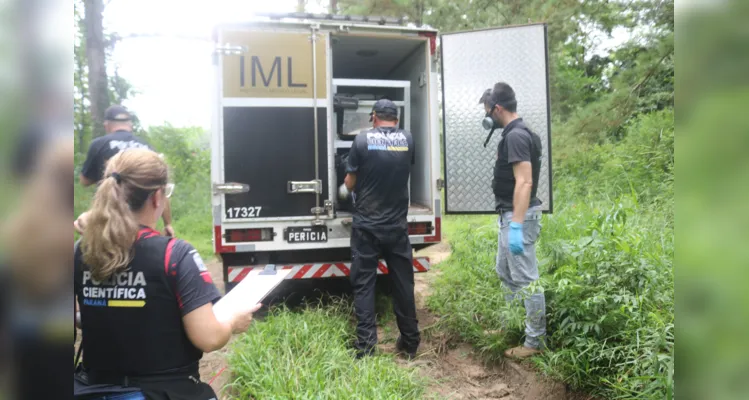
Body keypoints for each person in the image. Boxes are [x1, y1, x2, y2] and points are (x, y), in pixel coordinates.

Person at [73, 148, 260, 399]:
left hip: (93, 389)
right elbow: (208, 338)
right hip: (166, 391)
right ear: (157, 196)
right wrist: (232, 322)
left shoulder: (80, 250)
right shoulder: (175, 254)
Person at [339, 99, 419, 360]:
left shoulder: (362, 141)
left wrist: (345, 187)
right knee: (403, 284)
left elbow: (351, 181)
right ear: (396, 118)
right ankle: (410, 343)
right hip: (396, 227)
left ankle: (366, 347)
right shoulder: (407, 139)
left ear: (373, 116)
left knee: (364, 286)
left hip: (367, 228)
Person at [479, 82, 546, 359]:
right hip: (508, 215)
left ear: (497, 109)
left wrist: (517, 225)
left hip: (518, 217)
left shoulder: (517, 135)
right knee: (505, 273)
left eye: (486, 110)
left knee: (527, 280)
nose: (486, 116)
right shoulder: (513, 133)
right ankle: (511, 324)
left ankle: (534, 343)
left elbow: (525, 182)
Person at [75, 105, 174, 237]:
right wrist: (167, 223)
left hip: (109, 216)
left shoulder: (99, 144)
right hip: (143, 221)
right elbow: (160, 189)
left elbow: (84, 180)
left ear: (107, 125)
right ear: (130, 125)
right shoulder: (146, 147)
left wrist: (112, 176)